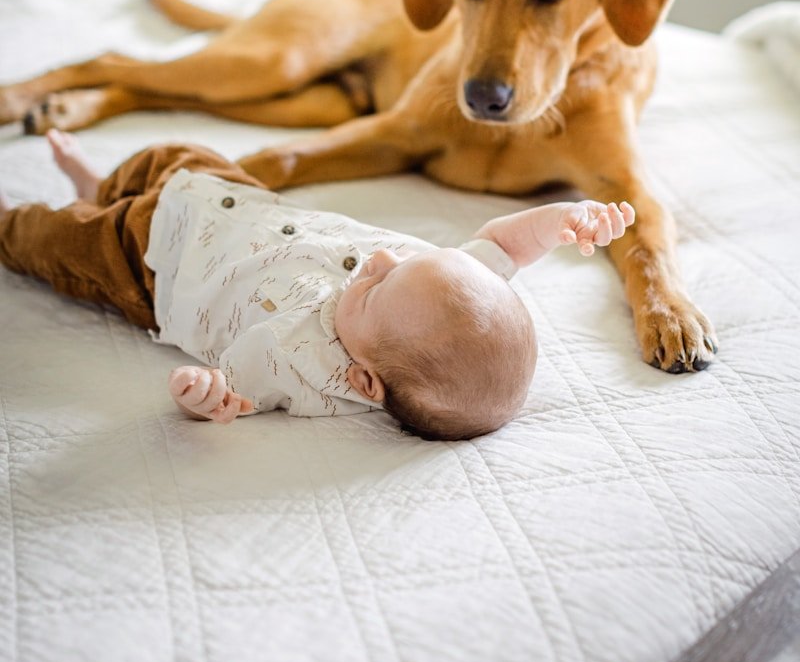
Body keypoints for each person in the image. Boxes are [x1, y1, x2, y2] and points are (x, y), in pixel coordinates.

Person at [0, 130, 634, 441]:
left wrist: (204, 396)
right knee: (167, 155)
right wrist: (563, 221)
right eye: (405, 259)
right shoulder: (441, 286)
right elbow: (502, 245)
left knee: (48, 243)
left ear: (363, 380)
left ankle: (39, 218)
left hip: (147, 267)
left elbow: (233, 392)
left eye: (378, 286)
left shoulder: (305, 371)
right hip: (229, 200)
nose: (381, 257)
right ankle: (99, 187)